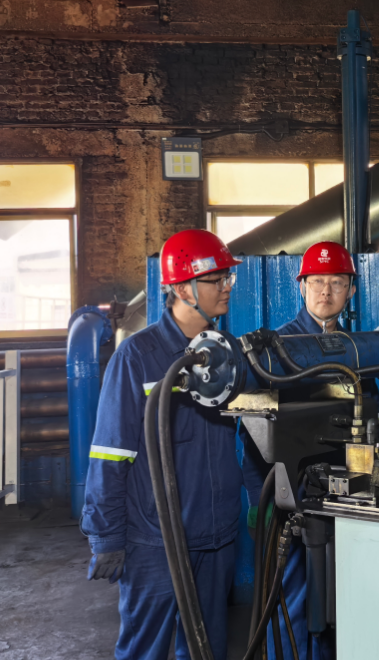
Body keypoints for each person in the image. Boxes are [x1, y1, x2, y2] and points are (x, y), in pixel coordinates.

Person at [82, 229, 243, 660]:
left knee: (207, 650)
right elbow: (110, 455)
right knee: (145, 650)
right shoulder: (137, 356)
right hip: (156, 543)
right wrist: (106, 536)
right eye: (216, 280)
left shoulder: (225, 354)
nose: (227, 287)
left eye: (228, 278)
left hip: (216, 538)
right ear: (183, 289)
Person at [241, 241, 358, 660]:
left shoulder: (357, 348)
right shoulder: (276, 349)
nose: (326, 291)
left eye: (337, 282)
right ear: (302, 286)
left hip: (345, 497)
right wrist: (265, 504)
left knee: (338, 602)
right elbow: (252, 433)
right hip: (290, 500)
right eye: (317, 281)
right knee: (292, 602)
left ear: (350, 290)